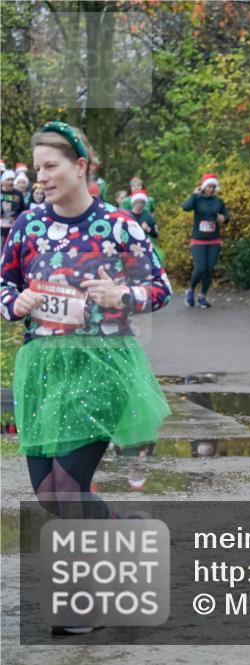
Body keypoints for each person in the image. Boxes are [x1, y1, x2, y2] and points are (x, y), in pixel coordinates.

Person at [0, 122, 171, 633]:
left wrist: (124, 296)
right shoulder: (26, 225)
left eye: (51, 166)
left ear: (81, 167)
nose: (41, 177)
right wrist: (16, 303)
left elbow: (158, 287)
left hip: (102, 364)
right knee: (47, 493)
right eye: (36, 169)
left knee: (68, 486)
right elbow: (4, 282)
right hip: (42, 367)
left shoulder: (120, 225)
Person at [182, 173, 229, 308]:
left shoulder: (218, 201)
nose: (211, 189)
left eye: (214, 187)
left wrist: (223, 219)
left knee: (209, 269)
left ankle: (202, 296)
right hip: (198, 240)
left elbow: (227, 217)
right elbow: (185, 207)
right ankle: (190, 289)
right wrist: (193, 194)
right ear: (203, 187)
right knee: (201, 267)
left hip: (213, 240)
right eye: (209, 186)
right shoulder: (197, 199)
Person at [130, 189, 163, 265]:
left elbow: (155, 234)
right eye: (138, 202)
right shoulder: (128, 215)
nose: (140, 204)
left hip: (144, 245)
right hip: (130, 246)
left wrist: (148, 229)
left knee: (155, 261)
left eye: (142, 202)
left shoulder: (148, 216)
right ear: (134, 203)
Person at [2, 168, 27, 246]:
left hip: (14, 229)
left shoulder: (18, 194)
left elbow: (22, 211)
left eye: (12, 180)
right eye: (8, 180)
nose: (11, 182)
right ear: (2, 181)